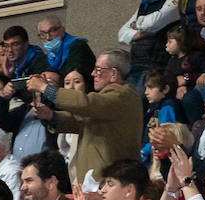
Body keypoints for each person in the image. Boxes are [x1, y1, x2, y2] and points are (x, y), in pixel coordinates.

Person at [29, 50, 142, 187]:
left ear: (113, 73)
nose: (93, 73)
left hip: (112, 183)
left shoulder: (122, 95)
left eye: (98, 69)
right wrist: (50, 115)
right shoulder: (108, 103)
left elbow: (86, 103)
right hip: (101, 183)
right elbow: (80, 121)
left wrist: (43, 87)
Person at [118, 0, 182, 91]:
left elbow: (154, 22)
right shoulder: (147, 1)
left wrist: (137, 24)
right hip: (135, 65)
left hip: (155, 68)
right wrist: (137, 33)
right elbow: (122, 33)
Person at [36, 15, 95, 80]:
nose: (48, 37)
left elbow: (74, 77)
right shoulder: (50, 55)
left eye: (52, 31)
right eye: (43, 34)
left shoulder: (78, 46)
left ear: (62, 29)